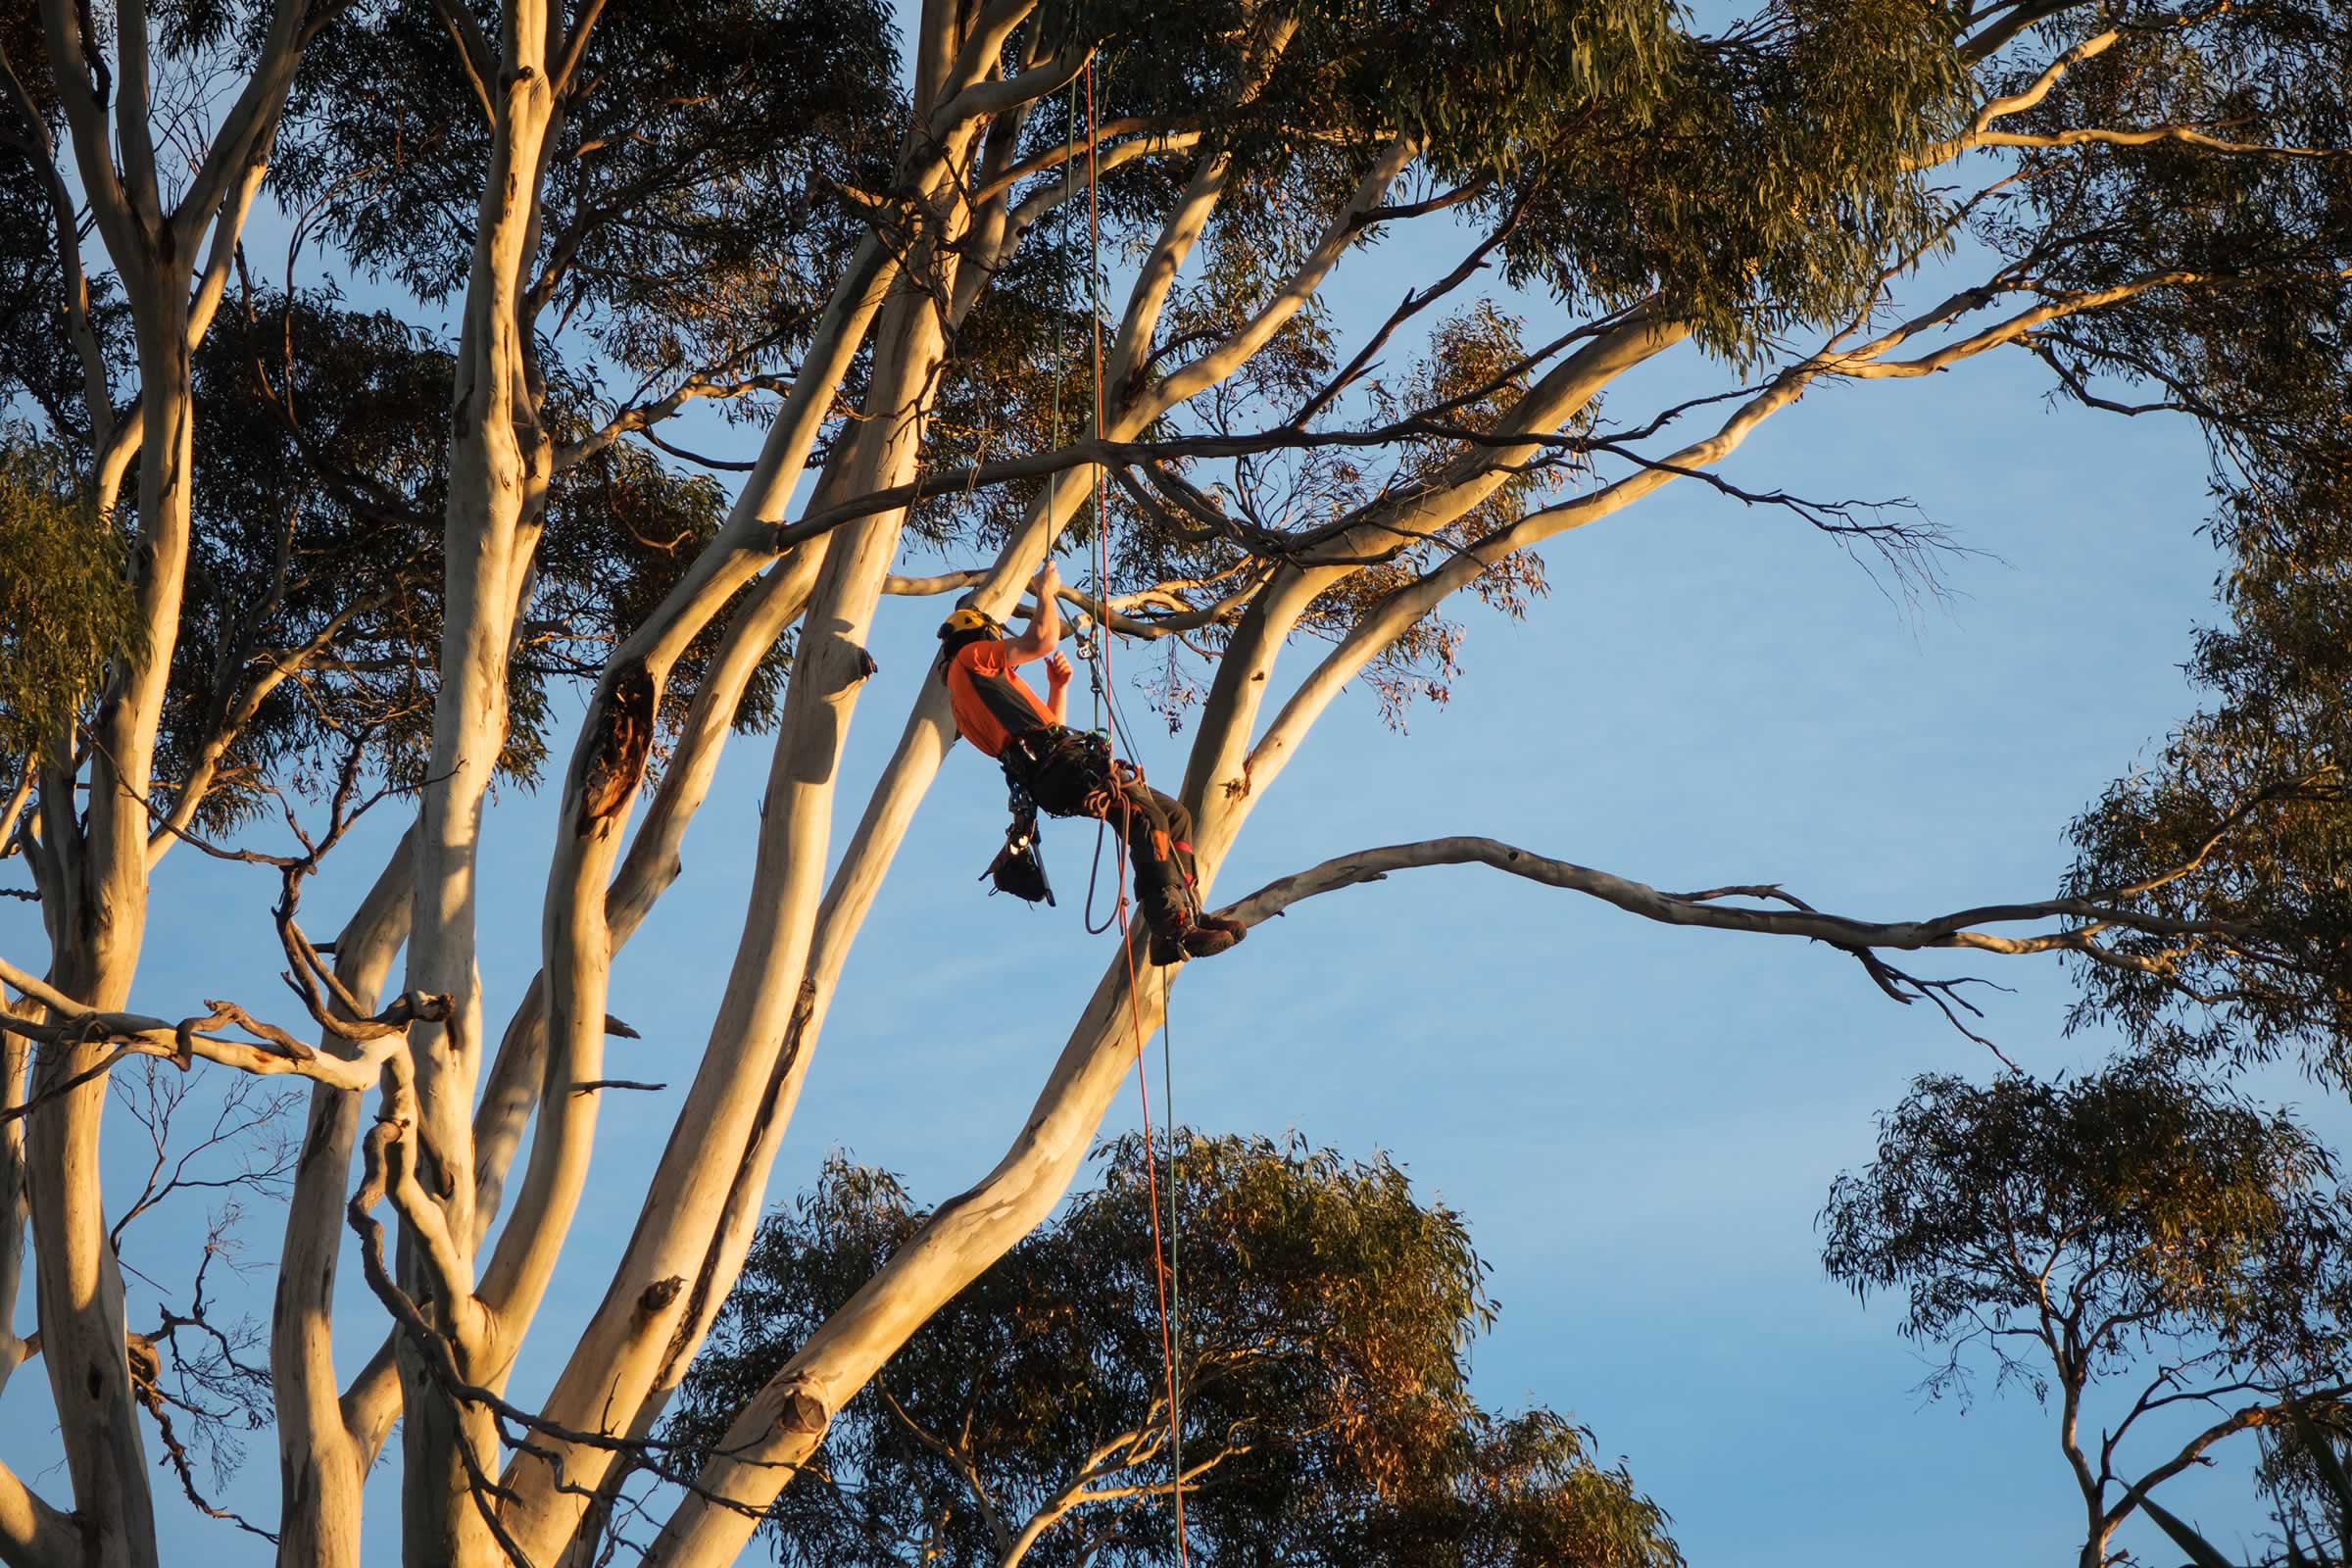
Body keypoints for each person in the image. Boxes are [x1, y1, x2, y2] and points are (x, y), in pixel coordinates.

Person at [938, 562, 1246, 962]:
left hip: (1056, 772)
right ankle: (1171, 931)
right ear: (980, 635)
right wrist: (1046, 592)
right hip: (1063, 768)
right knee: (1147, 821)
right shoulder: (972, 658)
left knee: (1174, 815)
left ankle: (1187, 908)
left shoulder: (968, 699)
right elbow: (1042, 640)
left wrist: (1057, 688)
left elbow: (1044, 733)